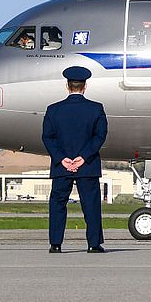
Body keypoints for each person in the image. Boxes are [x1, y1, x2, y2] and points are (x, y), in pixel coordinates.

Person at [40, 65, 108, 253]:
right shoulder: (96, 109)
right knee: (91, 205)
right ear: (84, 86)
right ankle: (94, 244)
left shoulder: (53, 110)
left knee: (58, 204)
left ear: (67, 86)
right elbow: (100, 136)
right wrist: (83, 158)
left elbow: (48, 137)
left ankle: (55, 243)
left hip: (62, 166)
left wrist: (62, 159)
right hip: (87, 165)